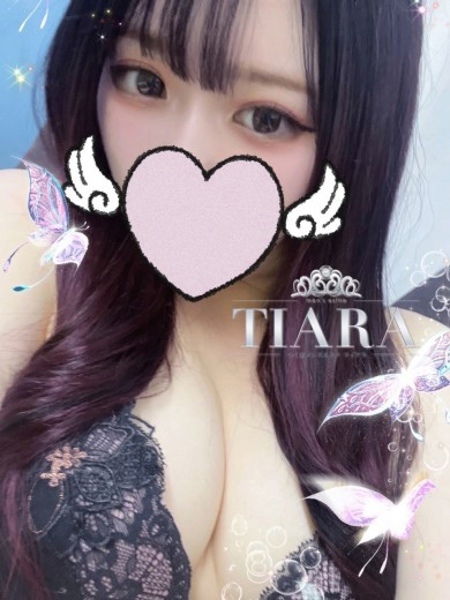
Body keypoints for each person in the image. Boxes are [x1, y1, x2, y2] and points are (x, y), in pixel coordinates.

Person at [0, 0, 449, 598]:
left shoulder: (418, 377)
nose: (180, 155)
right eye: (144, 81)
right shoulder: (26, 237)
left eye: (267, 118)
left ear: (357, 135)